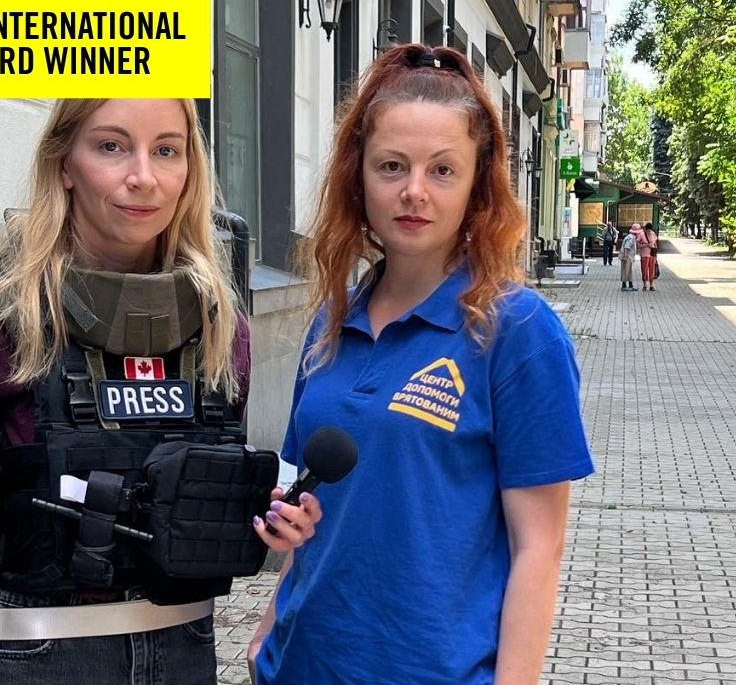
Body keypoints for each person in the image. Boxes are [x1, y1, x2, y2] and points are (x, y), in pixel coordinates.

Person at [0, 98, 321, 685]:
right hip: (40, 659)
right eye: (111, 146)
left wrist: (272, 519)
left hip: (186, 654)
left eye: (166, 150)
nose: (143, 176)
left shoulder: (219, 328)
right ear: (63, 163)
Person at [248, 44, 594, 684]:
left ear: (477, 183)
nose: (413, 192)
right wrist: (268, 624)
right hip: (300, 666)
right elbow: (320, 513)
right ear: (359, 176)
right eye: (391, 166)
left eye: (442, 170)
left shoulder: (518, 333)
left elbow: (538, 550)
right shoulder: (330, 321)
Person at [620, 225, 639, 291]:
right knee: (626, 271)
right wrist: (625, 256)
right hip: (627, 256)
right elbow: (626, 247)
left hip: (629, 257)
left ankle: (630, 285)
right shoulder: (631, 238)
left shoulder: (631, 237)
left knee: (629, 271)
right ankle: (624, 285)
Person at [641, 221, 659, 290]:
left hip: (652, 254)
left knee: (652, 269)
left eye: (650, 230)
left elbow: (655, 243)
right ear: (645, 229)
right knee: (644, 270)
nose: (649, 232)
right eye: (648, 230)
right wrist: (646, 245)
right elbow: (638, 245)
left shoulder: (653, 234)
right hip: (644, 254)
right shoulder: (642, 235)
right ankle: (645, 284)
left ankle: (651, 284)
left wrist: (656, 252)